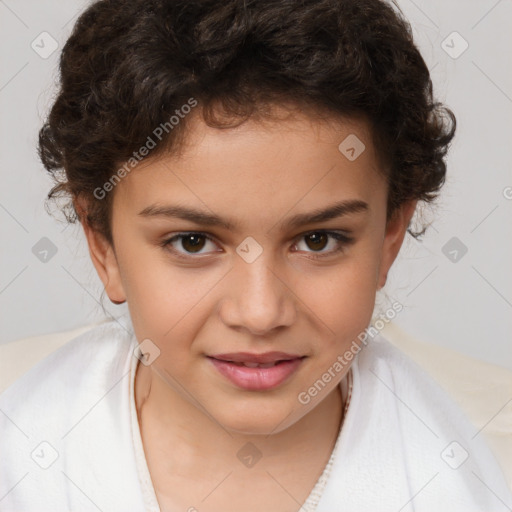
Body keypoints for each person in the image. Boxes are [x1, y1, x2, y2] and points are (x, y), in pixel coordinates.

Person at [0, 0, 510, 511]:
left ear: (389, 235)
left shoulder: (474, 482)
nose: (260, 313)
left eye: (318, 240)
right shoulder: (22, 465)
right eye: (192, 242)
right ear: (102, 244)